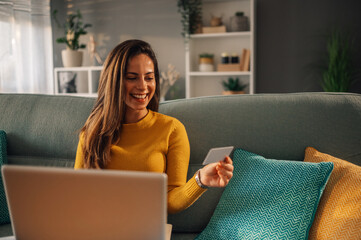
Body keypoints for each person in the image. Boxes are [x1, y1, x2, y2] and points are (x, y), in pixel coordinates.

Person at [74, 39, 234, 214]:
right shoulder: (92, 132)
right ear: (114, 81)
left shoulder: (171, 129)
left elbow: (170, 202)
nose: (143, 86)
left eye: (149, 78)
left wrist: (200, 180)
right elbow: (78, 196)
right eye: (132, 77)